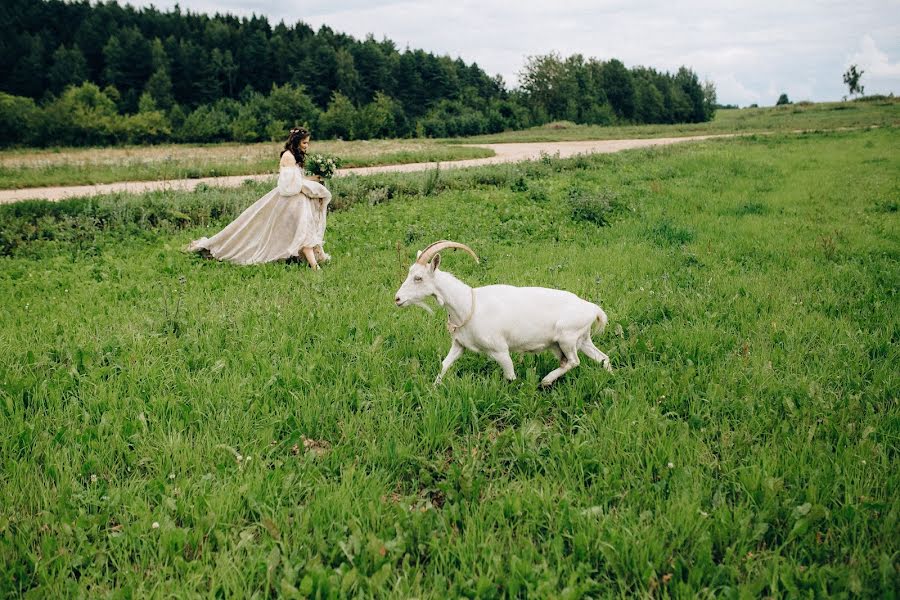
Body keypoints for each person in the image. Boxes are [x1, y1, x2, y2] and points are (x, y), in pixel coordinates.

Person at [188, 127, 332, 269]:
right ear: (296, 141)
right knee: (287, 228)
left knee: (301, 229)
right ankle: (312, 264)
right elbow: (288, 186)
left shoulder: (295, 156)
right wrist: (310, 188)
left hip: (298, 200)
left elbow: (298, 179)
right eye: (304, 143)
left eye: (307, 143)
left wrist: (316, 178)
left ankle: (304, 259)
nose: (307, 146)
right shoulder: (288, 156)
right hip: (290, 200)